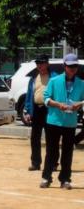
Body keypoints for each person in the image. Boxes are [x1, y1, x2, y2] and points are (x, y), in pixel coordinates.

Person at [40, 53, 84, 189]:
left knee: (67, 152)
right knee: (51, 151)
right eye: (70, 66)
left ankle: (65, 179)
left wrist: (80, 103)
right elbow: (46, 98)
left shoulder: (82, 84)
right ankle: (46, 177)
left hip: (70, 123)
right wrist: (58, 104)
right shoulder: (54, 81)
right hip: (54, 121)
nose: (72, 68)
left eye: (75, 66)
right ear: (65, 66)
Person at [23, 54, 57, 171]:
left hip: (50, 110)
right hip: (36, 110)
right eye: (38, 63)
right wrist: (27, 111)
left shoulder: (54, 77)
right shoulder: (33, 78)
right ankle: (35, 162)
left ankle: (52, 163)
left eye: (42, 63)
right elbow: (29, 96)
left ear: (47, 64)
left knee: (51, 138)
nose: (40, 65)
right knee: (35, 138)